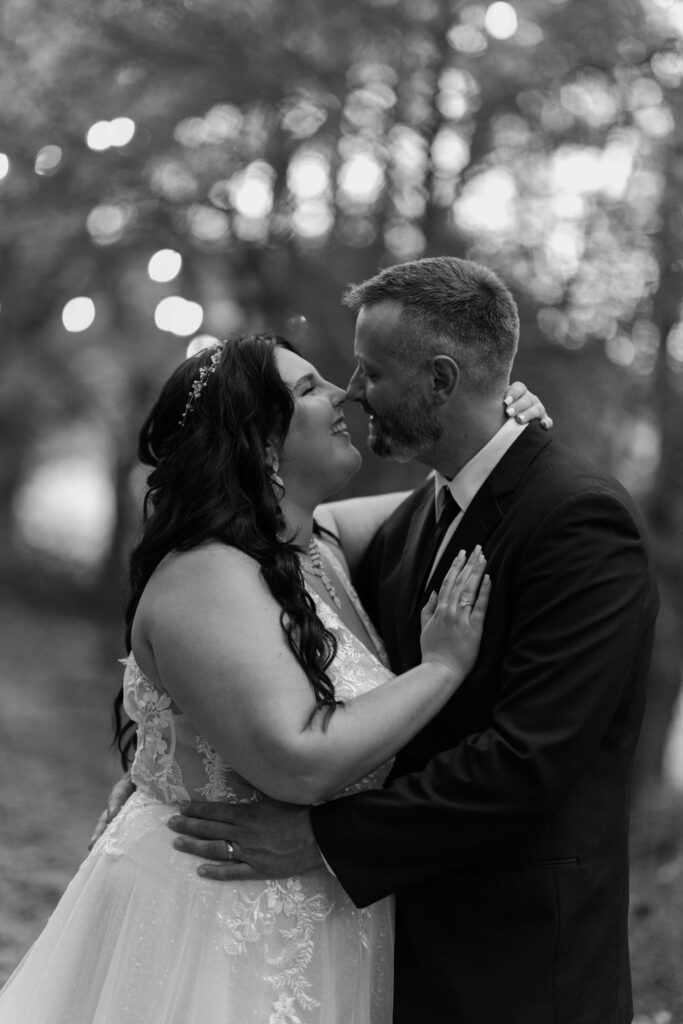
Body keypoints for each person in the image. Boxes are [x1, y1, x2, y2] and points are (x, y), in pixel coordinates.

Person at [163, 257, 659, 1024]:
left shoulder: (576, 520)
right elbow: (261, 553)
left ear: (439, 379)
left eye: (371, 371)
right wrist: (163, 750)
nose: (353, 392)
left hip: (518, 967)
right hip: (401, 947)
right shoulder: (411, 522)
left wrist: (321, 840)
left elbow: (527, 762)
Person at [0, 331, 545, 1024]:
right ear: (259, 444)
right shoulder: (206, 574)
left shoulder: (314, 544)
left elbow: (460, 493)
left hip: (312, 924)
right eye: (309, 388)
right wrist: (439, 668)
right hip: (209, 926)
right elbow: (299, 761)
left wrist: (503, 429)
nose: (343, 392)